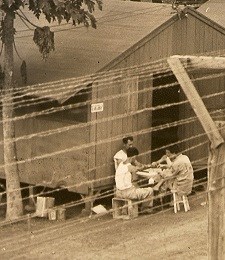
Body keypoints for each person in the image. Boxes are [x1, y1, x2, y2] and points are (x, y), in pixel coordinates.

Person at [115, 147, 154, 213]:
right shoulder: (129, 167)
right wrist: (150, 165)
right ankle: (145, 209)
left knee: (136, 187)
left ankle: (128, 208)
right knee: (150, 190)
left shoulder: (120, 164)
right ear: (133, 157)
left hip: (118, 192)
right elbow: (139, 168)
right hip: (127, 193)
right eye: (135, 157)